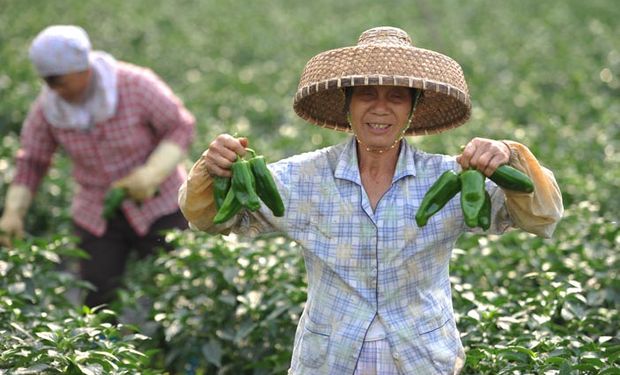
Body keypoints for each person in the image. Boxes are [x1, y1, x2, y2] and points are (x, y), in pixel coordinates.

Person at [178, 26, 563, 374]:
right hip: (329, 361)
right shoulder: (302, 178)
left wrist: (508, 156)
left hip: (424, 359)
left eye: (397, 97)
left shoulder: (454, 179)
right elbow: (209, 220)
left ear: (413, 110)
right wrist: (213, 169)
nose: (380, 108)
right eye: (366, 95)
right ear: (347, 105)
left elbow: (542, 216)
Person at [0, 25, 195, 307]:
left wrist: (152, 173)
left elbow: (180, 126)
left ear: (83, 69)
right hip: (98, 212)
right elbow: (32, 159)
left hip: (161, 203)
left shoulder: (135, 84)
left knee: (178, 287)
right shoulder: (49, 108)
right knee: (98, 295)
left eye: (59, 80)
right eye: (47, 82)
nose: (53, 89)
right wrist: (13, 212)